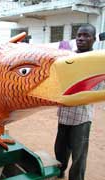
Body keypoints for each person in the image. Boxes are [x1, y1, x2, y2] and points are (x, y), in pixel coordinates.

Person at [55, 24, 103, 180]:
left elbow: (99, 87)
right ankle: (59, 172)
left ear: (94, 39)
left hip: (82, 117)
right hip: (64, 114)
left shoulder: (97, 61)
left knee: (79, 154)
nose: (81, 39)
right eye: (79, 35)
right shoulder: (67, 58)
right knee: (60, 150)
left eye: (86, 36)